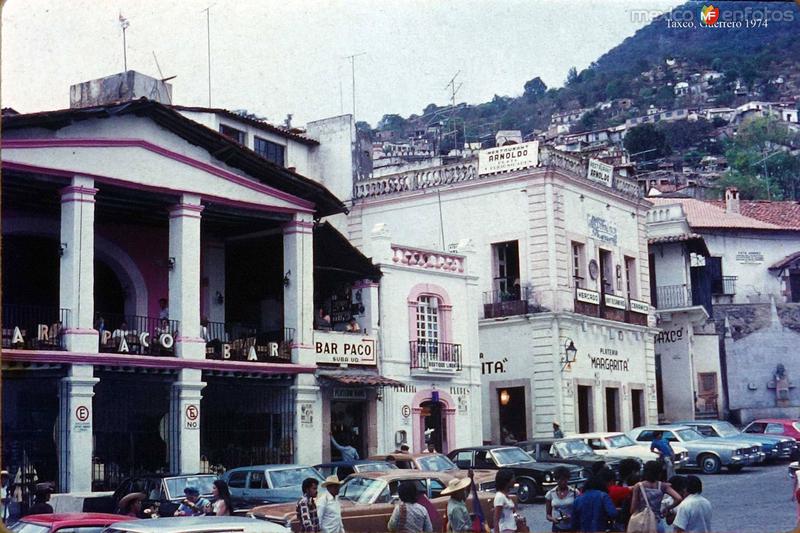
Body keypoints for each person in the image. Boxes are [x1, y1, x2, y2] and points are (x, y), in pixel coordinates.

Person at [629, 461, 683, 533]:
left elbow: (632, 510)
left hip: (641, 523)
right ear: (659, 473)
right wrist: (668, 508)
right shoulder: (663, 486)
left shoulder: (638, 486)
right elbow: (679, 498)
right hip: (656, 522)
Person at [545, 466, 578, 532]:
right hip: (557, 528)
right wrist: (553, 519)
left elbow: (580, 511)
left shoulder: (574, 492)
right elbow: (548, 515)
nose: (563, 482)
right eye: (560, 480)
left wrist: (571, 517)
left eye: (565, 480)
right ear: (556, 480)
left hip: (572, 527)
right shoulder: (550, 494)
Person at [493, 468, 518, 533]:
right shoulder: (500, 497)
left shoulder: (505, 496)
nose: (514, 480)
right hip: (505, 530)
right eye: (512, 478)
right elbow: (496, 519)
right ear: (506, 481)